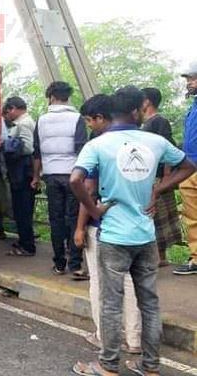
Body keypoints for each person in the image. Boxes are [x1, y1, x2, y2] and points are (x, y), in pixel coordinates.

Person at [70, 86, 196, 376]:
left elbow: (76, 180)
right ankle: (150, 367)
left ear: (111, 112)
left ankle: (108, 365)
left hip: (113, 236)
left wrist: (95, 209)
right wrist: (158, 188)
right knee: (149, 303)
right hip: (146, 236)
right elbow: (188, 166)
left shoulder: (98, 145)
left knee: (111, 304)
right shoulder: (155, 141)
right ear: (136, 110)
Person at [73, 94, 141, 354]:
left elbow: (87, 188)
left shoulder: (98, 146)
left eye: (90, 121)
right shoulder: (142, 141)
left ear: (101, 118)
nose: (90, 126)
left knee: (101, 284)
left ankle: (104, 337)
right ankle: (135, 340)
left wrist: (80, 227)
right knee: (131, 283)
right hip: (137, 226)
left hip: (105, 226)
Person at [32, 81, 88, 277]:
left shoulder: (42, 120)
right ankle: (76, 265)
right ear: (67, 97)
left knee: (55, 219)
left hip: (51, 176)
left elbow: (36, 151)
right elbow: (82, 149)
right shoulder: (77, 118)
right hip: (73, 174)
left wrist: (35, 176)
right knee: (74, 218)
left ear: (51, 97)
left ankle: (59, 263)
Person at [141, 87, 181, 267]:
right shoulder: (144, 123)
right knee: (151, 215)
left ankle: (161, 256)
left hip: (158, 177)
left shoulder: (159, 121)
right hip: (146, 176)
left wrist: (166, 177)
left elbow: (167, 149)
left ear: (147, 101)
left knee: (159, 215)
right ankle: (155, 255)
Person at [1, 96, 37, 256]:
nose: (8, 116)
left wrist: (10, 147)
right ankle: (24, 241)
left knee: (23, 209)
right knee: (21, 209)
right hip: (21, 172)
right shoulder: (23, 123)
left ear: (14, 108)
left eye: (8, 112)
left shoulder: (23, 124)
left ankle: (27, 246)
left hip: (23, 171)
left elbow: (28, 148)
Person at [174, 64, 197, 275]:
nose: (189, 83)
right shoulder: (193, 108)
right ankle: (196, 258)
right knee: (192, 215)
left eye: (193, 78)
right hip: (190, 167)